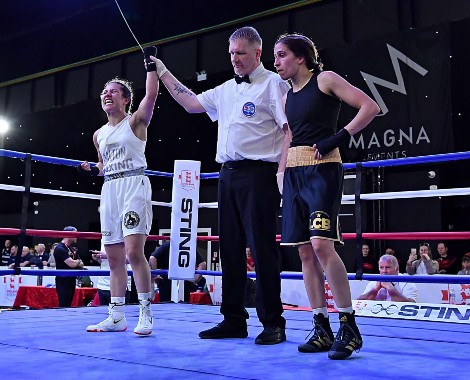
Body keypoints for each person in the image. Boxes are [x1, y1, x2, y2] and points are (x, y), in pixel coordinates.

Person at [150, 26, 289, 344]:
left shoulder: (273, 84)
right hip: (228, 175)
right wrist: (162, 71)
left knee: (262, 250)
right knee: (229, 250)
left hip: (260, 174)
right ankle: (233, 320)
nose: (234, 59)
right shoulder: (226, 89)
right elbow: (190, 103)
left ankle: (273, 322)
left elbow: (288, 129)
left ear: (257, 52)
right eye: (231, 53)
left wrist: (282, 172)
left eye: (240, 53)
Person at [273, 33, 380, 359]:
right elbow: (289, 136)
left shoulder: (326, 79)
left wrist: (337, 137)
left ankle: (348, 324)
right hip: (293, 173)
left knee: (321, 245)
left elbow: (370, 106)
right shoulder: (287, 96)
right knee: (304, 252)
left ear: (300, 57)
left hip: (323, 171)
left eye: (281, 55)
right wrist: (280, 173)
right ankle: (321, 325)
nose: (276, 62)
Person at [79, 47, 158, 335]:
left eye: (114, 91)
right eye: (104, 91)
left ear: (125, 99)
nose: (107, 94)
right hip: (110, 188)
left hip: (134, 185)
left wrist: (151, 67)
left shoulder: (135, 122)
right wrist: (94, 169)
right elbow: (104, 164)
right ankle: (116, 316)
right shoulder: (98, 134)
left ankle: (146, 313)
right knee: (113, 258)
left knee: (135, 252)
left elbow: (151, 96)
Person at [54, 226, 84, 307]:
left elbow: (81, 263)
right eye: (75, 233)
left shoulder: (72, 249)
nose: (77, 236)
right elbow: (73, 264)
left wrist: (76, 262)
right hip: (63, 280)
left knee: (68, 304)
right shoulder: (60, 248)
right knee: (64, 305)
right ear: (68, 234)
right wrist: (77, 262)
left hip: (71, 279)